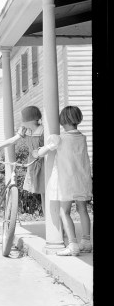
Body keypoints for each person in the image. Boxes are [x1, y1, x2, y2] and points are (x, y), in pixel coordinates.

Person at [33, 106, 93, 256]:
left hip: (66, 181)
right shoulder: (82, 137)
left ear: (63, 120)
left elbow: (41, 152)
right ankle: (86, 241)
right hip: (82, 179)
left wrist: (36, 152)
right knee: (83, 210)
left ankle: (73, 244)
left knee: (64, 212)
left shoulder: (59, 138)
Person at [0, 105, 45, 207]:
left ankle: (50, 220)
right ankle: (48, 219)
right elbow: (13, 140)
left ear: (28, 119)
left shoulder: (43, 131)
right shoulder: (25, 130)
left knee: (46, 192)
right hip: (33, 163)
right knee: (42, 192)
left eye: (23, 118)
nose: (21, 120)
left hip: (44, 164)